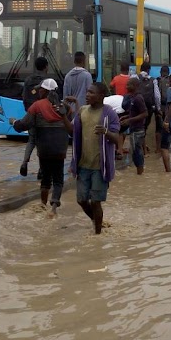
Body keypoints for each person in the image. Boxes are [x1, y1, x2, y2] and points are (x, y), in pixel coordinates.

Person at [12, 79, 73, 217]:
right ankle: (54, 208)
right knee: (58, 179)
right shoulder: (64, 107)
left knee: (46, 178)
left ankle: (43, 205)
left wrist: (14, 122)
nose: (38, 91)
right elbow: (70, 121)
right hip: (60, 148)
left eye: (40, 89)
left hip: (44, 148)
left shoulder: (37, 106)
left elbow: (23, 125)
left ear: (44, 91)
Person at [70, 83, 121, 234]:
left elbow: (116, 138)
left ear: (101, 96)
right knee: (81, 200)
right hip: (83, 164)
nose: (87, 95)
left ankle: (97, 234)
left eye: (91, 93)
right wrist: (62, 117)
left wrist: (106, 132)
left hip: (100, 166)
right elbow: (71, 131)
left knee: (96, 201)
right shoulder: (82, 111)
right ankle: (96, 221)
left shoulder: (109, 113)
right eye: (87, 92)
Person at [20, 56, 50, 177]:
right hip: (44, 117)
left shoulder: (28, 80)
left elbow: (24, 97)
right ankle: (41, 170)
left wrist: (28, 111)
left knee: (31, 140)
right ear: (46, 67)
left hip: (31, 114)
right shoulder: (47, 81)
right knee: (43, 143)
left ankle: (24, 162)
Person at [120, 78, 148, 174]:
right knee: (135, 152)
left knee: (137, 153)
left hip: (138, 130)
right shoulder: (132, 97)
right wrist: (126, 117)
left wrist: (129, 120)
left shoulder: (138, 98)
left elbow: (144, 113)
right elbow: (135, 113)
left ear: (135, 86)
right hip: (134, 129)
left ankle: (140, 173)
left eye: (129, 85)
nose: (127, 87)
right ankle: (139, 173)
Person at [134, 62, 162, 154]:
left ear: (140, 69)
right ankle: (144, 150)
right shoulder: (153, 80)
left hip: (137, 106)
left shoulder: (134, 78)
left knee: (138, 127)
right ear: (148, 70)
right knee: (144, 127)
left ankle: (140, 149)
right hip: (149, 107)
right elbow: (157, 96)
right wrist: (158, 108)